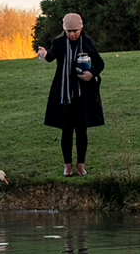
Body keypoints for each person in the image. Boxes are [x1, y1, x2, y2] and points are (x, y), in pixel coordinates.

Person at [36, 12, 104, 176]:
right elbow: (51, 57)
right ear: (64, 30)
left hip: (83, 94)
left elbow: (100, 63)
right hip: (64, 93)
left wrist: (91, 74)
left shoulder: (87, 42)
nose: (72, 34)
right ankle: (68, 165)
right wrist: (44, 53)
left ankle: (81, 165)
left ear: (81, 29)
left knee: (81, 130)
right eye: (69, 31)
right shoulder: (58, 43)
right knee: (66, 130)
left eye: (75, 31)